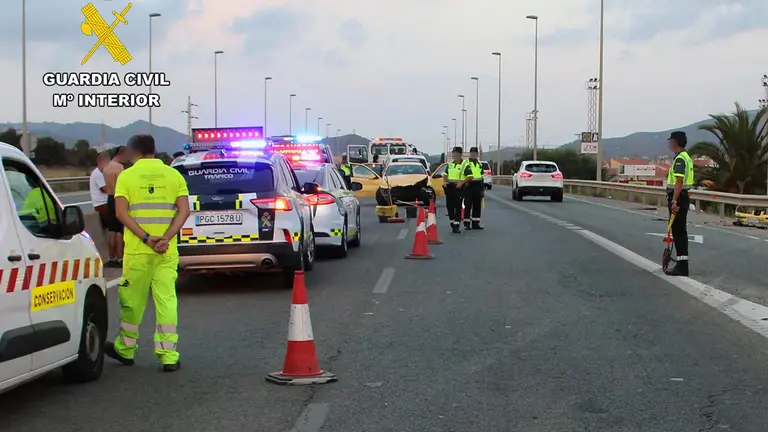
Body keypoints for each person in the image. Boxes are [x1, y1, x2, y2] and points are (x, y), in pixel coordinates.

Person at [104, 134, 190, 372]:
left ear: (132, 151)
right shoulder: (174, 175)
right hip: (166, 250)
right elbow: (184, 210)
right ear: (154, 149)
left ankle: (126, 349)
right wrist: (166, 237)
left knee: (132, 301)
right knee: (166, 300)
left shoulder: (127, 176)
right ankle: (169, 355)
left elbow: (121, 213)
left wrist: (146, 238)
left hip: (138, 251)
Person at [664, 131, 694, 276]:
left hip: (678, 198)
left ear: (675, 142)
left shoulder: (680, 159)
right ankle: (682, 264)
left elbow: (679, 181)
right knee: (680, 231)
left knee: (678, 232)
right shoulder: (686, 157)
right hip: (683, 197)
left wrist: (674, 201)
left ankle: (682, 266)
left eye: (670, 141)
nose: (669, 143)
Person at [103, 146, 128, 267]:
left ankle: (111, 257)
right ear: (121, 154)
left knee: (111, 230)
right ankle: (120, 258)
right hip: (117, 197)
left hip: (109, 198)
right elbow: (122, 185)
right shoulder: (120, 168)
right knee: (119, 231)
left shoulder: (106, 168)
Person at [443, 146, 471, 234]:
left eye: (456, 154)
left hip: (458, 188)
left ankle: (456, 225)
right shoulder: (450, 164)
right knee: (449, 206)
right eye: (453, 154)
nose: (454, 155)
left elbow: (470, 176)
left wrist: (462, 183)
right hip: (449, 187)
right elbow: (445, 174)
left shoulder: (465, 165)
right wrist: (444, 181)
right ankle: (452, 222)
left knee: (458, 207)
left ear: (460, 154)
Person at [462, 147, 484, 230]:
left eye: (475, 154)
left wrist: (482, 189)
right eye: (472, 153)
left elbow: (482, 177)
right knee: (468, 205)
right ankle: (467, 223)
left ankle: (476, 223)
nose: (474, 155)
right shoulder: (466, 163)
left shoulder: (479, 164)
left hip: (478, 186)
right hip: (469, 186)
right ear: (470, 154)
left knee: (477, 205)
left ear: (477, 154)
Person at [90, 152, 110, 228]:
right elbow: (105, 189)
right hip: (102, 204)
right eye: (107, 162)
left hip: (103, 203)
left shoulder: (101, 172)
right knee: (112, 227)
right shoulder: (98, 173)